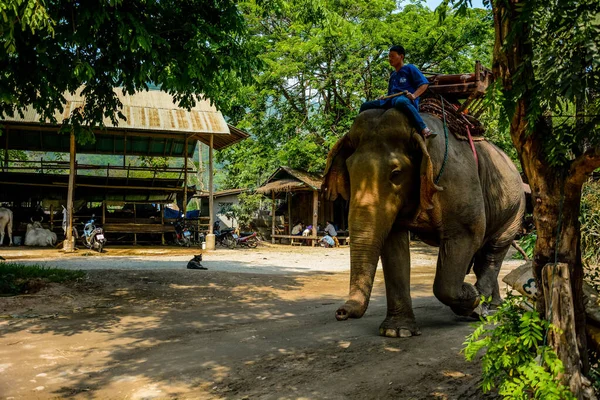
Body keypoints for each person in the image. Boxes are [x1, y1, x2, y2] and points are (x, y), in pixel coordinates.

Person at [359, 45, 435, 139]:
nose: (390, 59)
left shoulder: (410, 68)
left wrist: (414, 95)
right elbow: (390, 93)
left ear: (401, 56)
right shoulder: (393, 75)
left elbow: (424, 84)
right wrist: (384, 97)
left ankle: (423, 128)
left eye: (392, 56)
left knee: (400, 101)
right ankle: (358, 132)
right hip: (390, 100)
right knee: (365, 106)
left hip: (404, 100)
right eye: (389, 56)